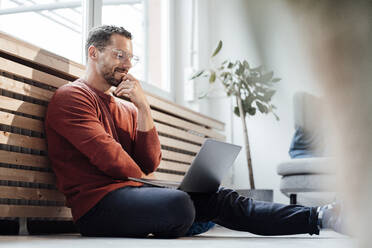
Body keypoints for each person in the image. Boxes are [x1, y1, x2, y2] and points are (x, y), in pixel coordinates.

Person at [44, 25, 343, 238]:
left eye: (131, 57)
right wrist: (158, 187)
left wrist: (144, 108)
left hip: (131, 195)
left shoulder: (126, 107)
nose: (127, 64)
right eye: (119, 55)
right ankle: (190, 216)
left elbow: (149, 163)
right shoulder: (72, 97)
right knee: (179, 203)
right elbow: (111, 161)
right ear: (93, 53)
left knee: (221, 198)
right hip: (96, 208)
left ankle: (321, 217)